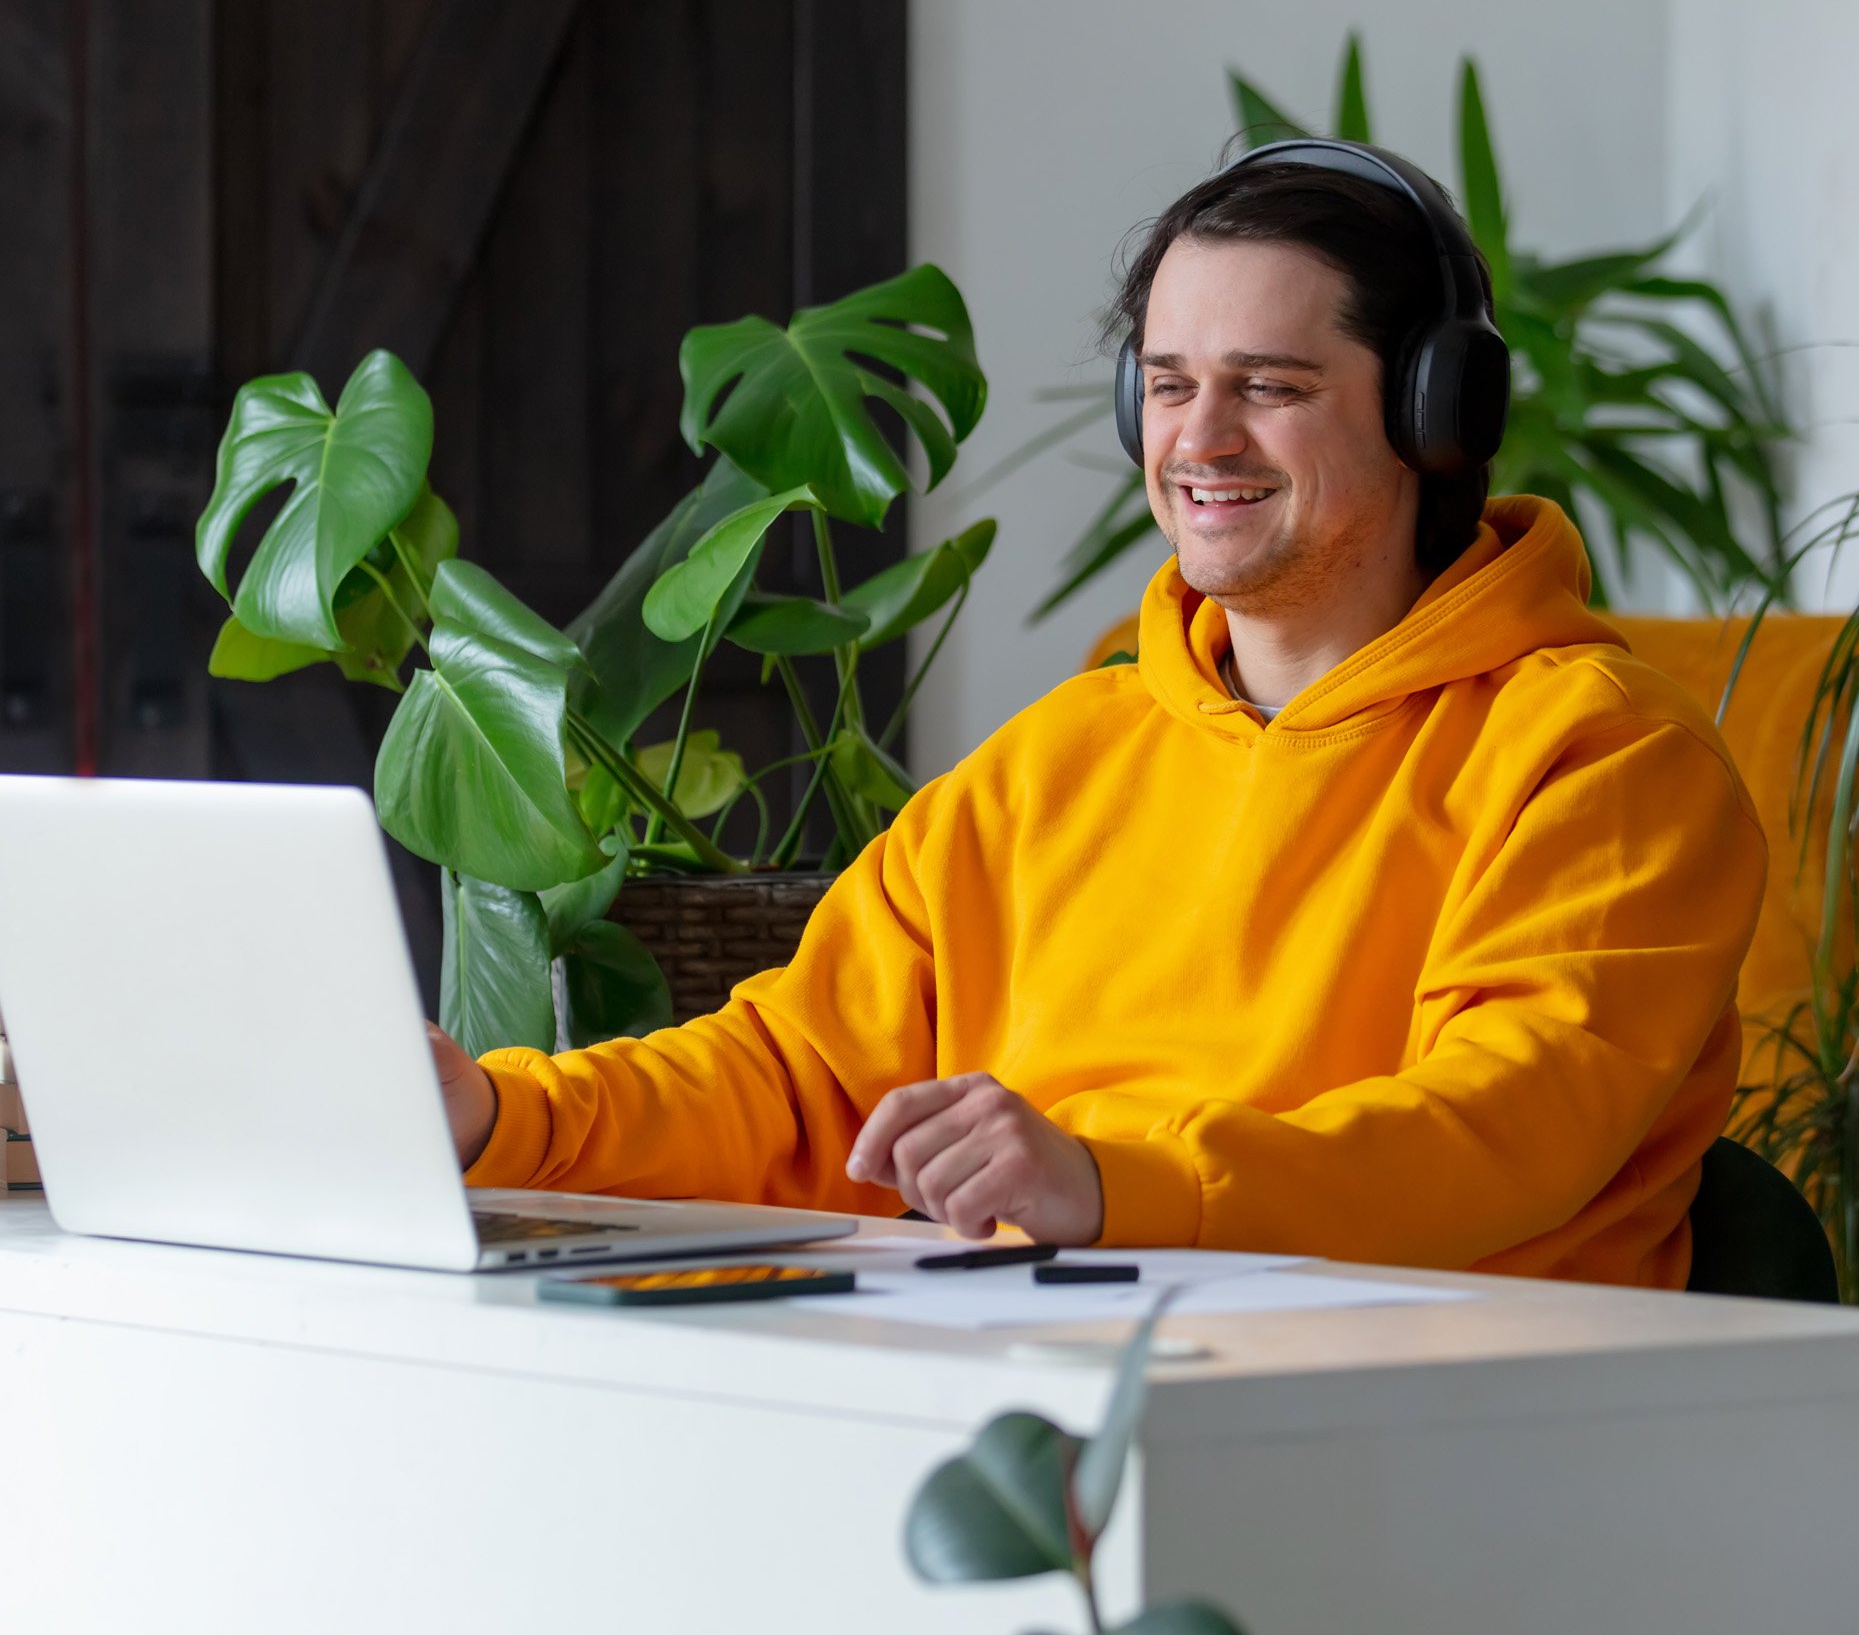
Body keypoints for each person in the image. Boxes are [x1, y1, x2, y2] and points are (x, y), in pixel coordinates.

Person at [432, 144, 1766, 1288]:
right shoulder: (1054, 764)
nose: (1203, 440)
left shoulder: (1602, 760)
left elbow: (1491, 1137)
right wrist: (497, 1113)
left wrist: (1112, 1183)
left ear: (1437, 416)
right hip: (1050, 1367)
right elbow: (796, 1080)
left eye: (1272, 387)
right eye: (1172, 383)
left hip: (1440, 1425)